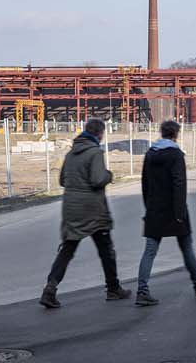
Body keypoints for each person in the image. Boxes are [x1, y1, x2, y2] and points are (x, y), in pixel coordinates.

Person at [40, 117, 130, 308]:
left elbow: (63, 180)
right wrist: (109, 175)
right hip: (92, 209)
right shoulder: (95, 152)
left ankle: (50, 288)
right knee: (106, 250)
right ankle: (113, 289)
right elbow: (98, 179)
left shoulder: (71, 153)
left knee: (67, 249)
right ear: (99, 133)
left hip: (71, 207)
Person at [134, 119, 196, 306]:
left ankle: (142, 291)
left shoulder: (150, 154)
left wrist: (148, 207)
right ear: (176, 134)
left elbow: (145, 183)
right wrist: (179, 213)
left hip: (154, 208)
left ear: (162, 133)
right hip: (174, 209)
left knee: (150, 251)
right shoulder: (176, 154)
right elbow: (179, 184)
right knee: (186, 246)